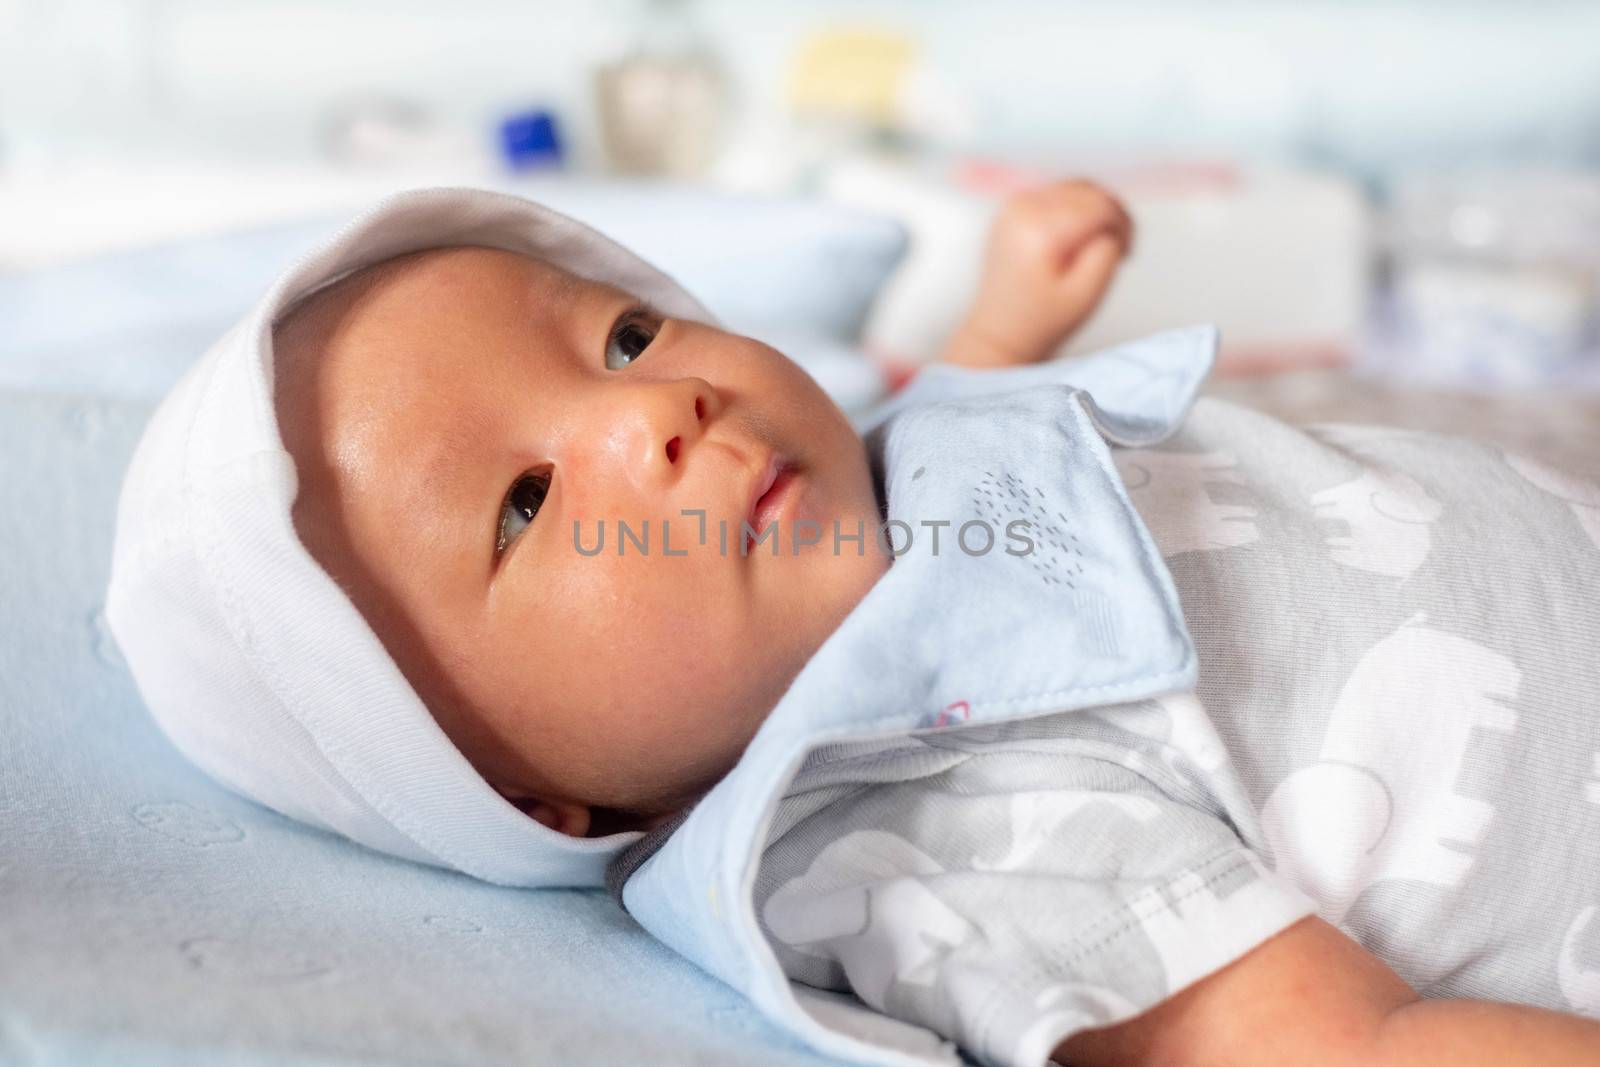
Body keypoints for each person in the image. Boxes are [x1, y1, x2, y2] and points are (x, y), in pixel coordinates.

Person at [106, 182, 1600, 1067]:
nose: (653, 410)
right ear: (516, 790)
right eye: (523, 504)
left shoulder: (846, 507)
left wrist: (1007, 326)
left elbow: (937, 431)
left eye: (622, 336)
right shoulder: (928, 836)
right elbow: (1349, 1050)